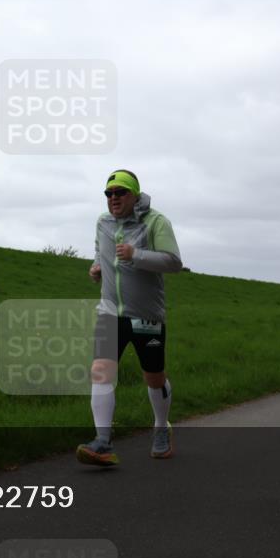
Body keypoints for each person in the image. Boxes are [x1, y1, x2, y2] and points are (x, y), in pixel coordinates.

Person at [77, 170, 183, 466]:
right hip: (110, 312)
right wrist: (96, 266)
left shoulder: (155, 222)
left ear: (135, 195)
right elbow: (101, 251)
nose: (113, 198)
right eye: (109, 193)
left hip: (146, 316)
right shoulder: (103, 222)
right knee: (101, 370)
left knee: (153, 377)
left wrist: (137, 255)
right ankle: (102, 441)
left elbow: (173, 262)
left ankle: (161, 428)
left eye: (120, 192)